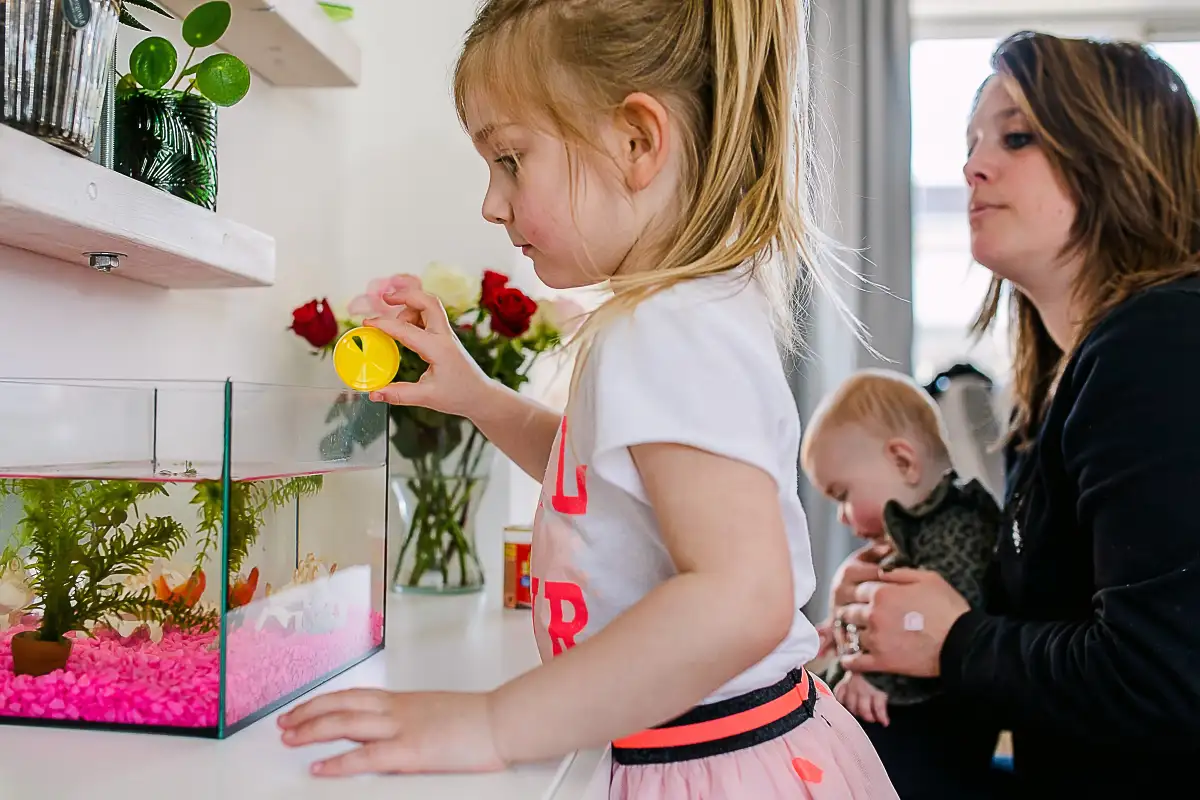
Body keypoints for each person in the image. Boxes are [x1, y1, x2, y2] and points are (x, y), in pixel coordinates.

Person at [275, 1, 899, 797]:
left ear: (636, 142)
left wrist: (493, 723)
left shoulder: (666, 327)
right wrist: (480, 398)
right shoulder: (674, 313)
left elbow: (745, 596)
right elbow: (606, 482)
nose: (491, 202)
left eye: (510, 158)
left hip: (715, 759)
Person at [828, 30, 1200, 796]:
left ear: (1114, 156)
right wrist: (899, 599)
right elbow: (1060, 619)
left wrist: (952, 639)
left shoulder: (1155, 349)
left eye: (1017, 137)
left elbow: (1162, 677)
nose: (973, 166)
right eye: (971, 143)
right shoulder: (1064, 380)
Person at [801, 369, 1001, 798]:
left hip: (934, 733)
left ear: (903, 462)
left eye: (843, 494)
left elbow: (939, 629)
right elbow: (886, 613)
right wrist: (843, 629)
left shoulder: (958, 525)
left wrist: (878, 678)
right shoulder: (910, 534)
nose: (842, 515)